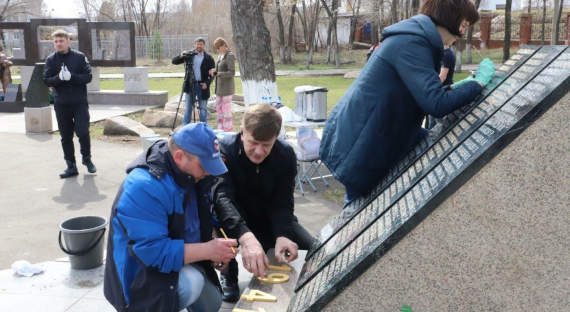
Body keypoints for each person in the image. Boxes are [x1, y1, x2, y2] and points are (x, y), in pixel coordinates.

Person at [319, 0, 495, 204]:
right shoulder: (412, 43)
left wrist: (459, 87)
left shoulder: (415, 39)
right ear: (449, 18)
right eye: (463, 26)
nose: (460, 35)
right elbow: (436, 104)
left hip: (371, 137)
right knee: (357, 215)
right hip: (362, 144)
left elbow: (423, 92)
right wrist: (478, 83)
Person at [104, 123, 263, 312]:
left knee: (211, 303)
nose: (209, 171)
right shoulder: (144, 186)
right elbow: (153, 252)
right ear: (179, 156)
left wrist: (214, 243)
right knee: (192, 283)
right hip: (139, 277)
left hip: (170, 258)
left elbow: (198, 219)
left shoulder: (193, 174)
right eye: (204, 164)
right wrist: (207, 251)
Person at [204, 104, 316, 302]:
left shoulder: (285, 155)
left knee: (312, 248)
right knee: (220, 238)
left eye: (266, 145)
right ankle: (229, 275)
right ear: (242, 130)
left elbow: (283, 202)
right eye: (253, 142)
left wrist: (283, 234)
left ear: (276, 138)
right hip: (232, 220)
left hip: (268, 219)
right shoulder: (225, 152)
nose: (258, 151)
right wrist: (245, 238)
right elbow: (222, 199)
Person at [43, 30, 96, 179]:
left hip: (79, 103)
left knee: (83, 132)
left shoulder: (79, 57)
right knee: (66, 136)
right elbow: (46, 80)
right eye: (56, 41)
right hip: (61, 104)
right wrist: (59, 78)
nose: (58, 44)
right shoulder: (51, 60)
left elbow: (88, 77)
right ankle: (71, 166)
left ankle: (87, 159)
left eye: (61, 40)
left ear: (68, 41)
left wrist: (72, 77)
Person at [172, 38, 215, 124]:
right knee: (188, 108)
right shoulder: (189, 55)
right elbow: (174, 61)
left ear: (204, 45)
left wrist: (207, 83)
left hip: (202, 86)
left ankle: (203, 128)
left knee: (203, 109)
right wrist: (181, 55)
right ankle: (185, 128)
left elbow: (212, 74)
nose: (199, 46)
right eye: (197, 44)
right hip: (190, 86)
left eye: (201, 44)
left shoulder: (209, 58)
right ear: (194, 45)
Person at [211, 37, 236, 132]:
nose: (217, 50)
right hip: (219, 89)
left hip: (227, 89)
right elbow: (219, 70)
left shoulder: (229, 56)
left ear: (224, 45)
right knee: (219, 110)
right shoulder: (220, 56)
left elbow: (232, 72)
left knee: (226, 111)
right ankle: (220, 129)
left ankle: (228, 130)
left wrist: (219, 74)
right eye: (216, 48)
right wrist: (214, 71)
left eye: (218, 47)